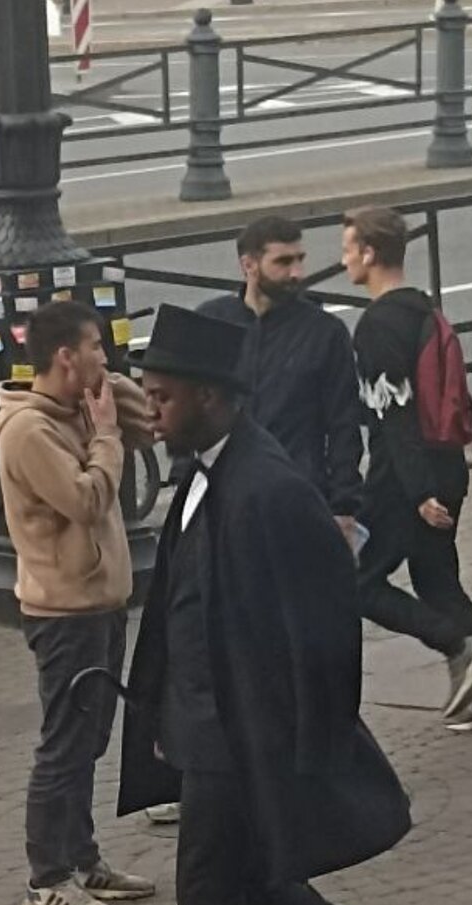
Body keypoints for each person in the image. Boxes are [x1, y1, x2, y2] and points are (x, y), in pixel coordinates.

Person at [115, 304, 453, 905]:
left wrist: (308, 739)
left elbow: (327, 621)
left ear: (212, 396)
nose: (151, 411)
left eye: (162, 396)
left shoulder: (269, 488)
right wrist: (166, 708)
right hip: (205, 726)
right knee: (255, 889)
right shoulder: (204, 472)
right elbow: (185, 602)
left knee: (206, 895)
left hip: (239, 738)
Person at [143, 215, 365, 825]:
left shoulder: (322, 333)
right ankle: (204, 768)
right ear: (248, 264)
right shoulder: (214, 326)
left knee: (281, 642)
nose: (297, 272)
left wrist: (344, 506)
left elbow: (343, 423)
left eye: (299, 259)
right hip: (217, 498)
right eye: (282, 261)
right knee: (208, 630)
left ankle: (288, 768)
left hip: (290, 504)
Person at [0, 299, 156, 905]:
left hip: (100, 603)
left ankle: (83, 860)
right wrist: (106, 436)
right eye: (95, 348)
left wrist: (109, 392)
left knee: (91, 740)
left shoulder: (77, 407)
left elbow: (150, 422)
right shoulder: (29, 432)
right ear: (65, 356)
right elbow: (86, 501)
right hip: (63, 611)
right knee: (64, 745)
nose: (104, 357)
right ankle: (47, 880)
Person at [341, 206, 472, 730]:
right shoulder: (424, 308)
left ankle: (457, 647)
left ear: (369, 254)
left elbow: (395, 414)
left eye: (348, 249)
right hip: (448, 465)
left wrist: (419, 491)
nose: (344, 259)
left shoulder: (377, 325)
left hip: (403, 478)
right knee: (438, 580)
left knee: (357, 580)